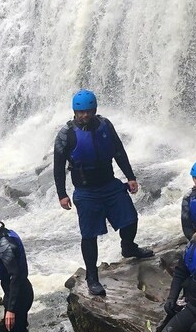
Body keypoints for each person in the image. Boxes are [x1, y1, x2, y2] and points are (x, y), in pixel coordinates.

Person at [53, 89, 153, 297]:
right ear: (74, 112)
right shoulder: (66, 134)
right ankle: (92, 276)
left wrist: (130, 176)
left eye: (88, 111)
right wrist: (62, 194)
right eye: (80, 112)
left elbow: (118, 151)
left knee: (130, 219)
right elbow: (58, 166)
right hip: (86, 191)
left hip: (110, 184)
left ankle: (128, 247)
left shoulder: (105, 125)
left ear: (95, 109)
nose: (84, 116)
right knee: (89, 235)